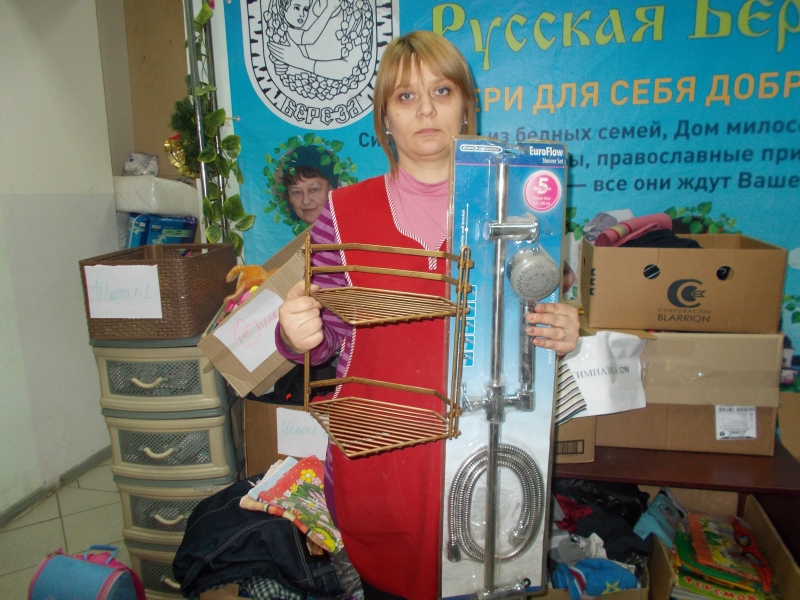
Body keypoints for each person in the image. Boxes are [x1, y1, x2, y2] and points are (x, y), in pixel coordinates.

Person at [275, 31, 580, 599]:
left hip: (488, 457)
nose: (425, 110)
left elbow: (532, 321)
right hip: (384, 462)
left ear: (466, 105)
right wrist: (296, 334)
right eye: (405, 96)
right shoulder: (343, 211)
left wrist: (559, 330)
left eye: (441, 91)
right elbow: (325, 339)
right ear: (385, 117)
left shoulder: (514, 204)